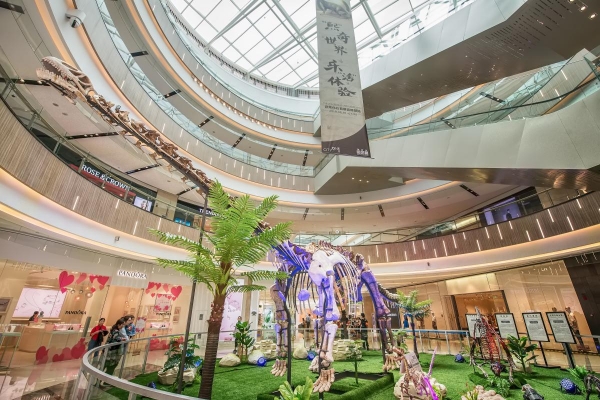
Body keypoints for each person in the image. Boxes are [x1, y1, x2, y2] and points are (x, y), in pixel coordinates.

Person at [102, 318, 128, 386]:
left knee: (106, 366)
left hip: (109, 351)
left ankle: (101, 381)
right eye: (122, 324)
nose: (123, 326)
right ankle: (105, 381)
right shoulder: (116, 331)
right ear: (119, 324)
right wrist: (122, 339)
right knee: (110, 366)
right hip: (111, 352)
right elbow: (115, 338)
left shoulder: (114, 330)